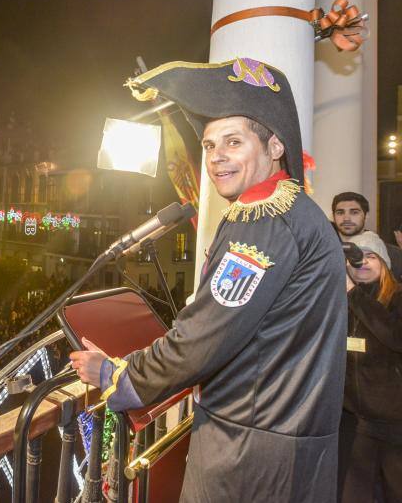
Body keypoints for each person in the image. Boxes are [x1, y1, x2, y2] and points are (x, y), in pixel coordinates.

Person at [70, 58, 346, 502]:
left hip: (248, 454)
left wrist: (116, 375)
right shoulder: (294, 213)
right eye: (211, 144)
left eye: (233, 142)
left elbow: (204, 339)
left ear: (275, 147)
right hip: (285, 442)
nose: (216, 156)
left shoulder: (263, 220)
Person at [338, 232, 402, 502]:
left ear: (385, 263)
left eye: (371, 256)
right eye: (355, 257)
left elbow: (394, 337)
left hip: (395, 423)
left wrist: (353, 295)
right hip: (355, 422)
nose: (361, 262)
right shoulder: (340, 301)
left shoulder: (397, 297)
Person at [332, 191, 402, 280]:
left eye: (354, 212)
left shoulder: (392, 253)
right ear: (333, 216)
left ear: (366, 215)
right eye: (340, 212)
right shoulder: (324, 252)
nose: (346, 218)